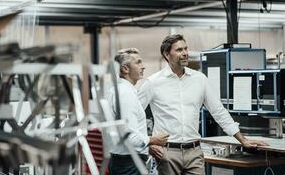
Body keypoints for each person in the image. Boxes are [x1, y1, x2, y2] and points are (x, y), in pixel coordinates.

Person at [138, 34, 268, 175]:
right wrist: (147, 143)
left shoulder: (199, 79)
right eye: (179, 50)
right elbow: (134, 116)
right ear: (166, 54)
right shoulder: (153, 82)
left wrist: (243, 140)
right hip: (166, 153)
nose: (185, 53)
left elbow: (218, 111)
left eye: (186, 49)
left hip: (194, 152)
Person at [107, 48, 169, 175]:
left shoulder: (119, 90)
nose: (143, 66)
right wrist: (152, 140)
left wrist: (146, 146)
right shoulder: (125, 94)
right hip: (129, 164)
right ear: (125, 69)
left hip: (123, 160)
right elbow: (128, 136)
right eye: (138, 62)